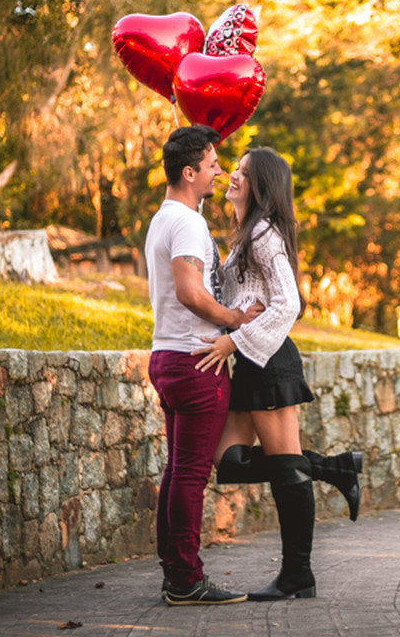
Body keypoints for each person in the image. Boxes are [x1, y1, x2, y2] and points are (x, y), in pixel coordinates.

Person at [192, 146, 363, 601]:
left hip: (268, 360)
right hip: (251, 362)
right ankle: (336, 468)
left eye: (243, 173)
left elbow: (289, 302)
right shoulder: (244, 233)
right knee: (228, 461)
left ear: (261, 185)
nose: (233, 175)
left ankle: (297, 576)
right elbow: (237, 295)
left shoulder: (264, 233)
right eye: (235, 168)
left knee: (287, 474)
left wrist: (233, 340)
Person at [144, 124, 261, 606]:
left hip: (168, 356)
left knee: (178, 470)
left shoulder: (163, 218)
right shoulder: (189, 222)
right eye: (213, 164)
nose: (219, 171)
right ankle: (187, 579)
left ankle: (175, 572)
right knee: (190, 473)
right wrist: (235, 322)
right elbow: (191, 292)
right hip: (196, 360)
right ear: (189, 172)